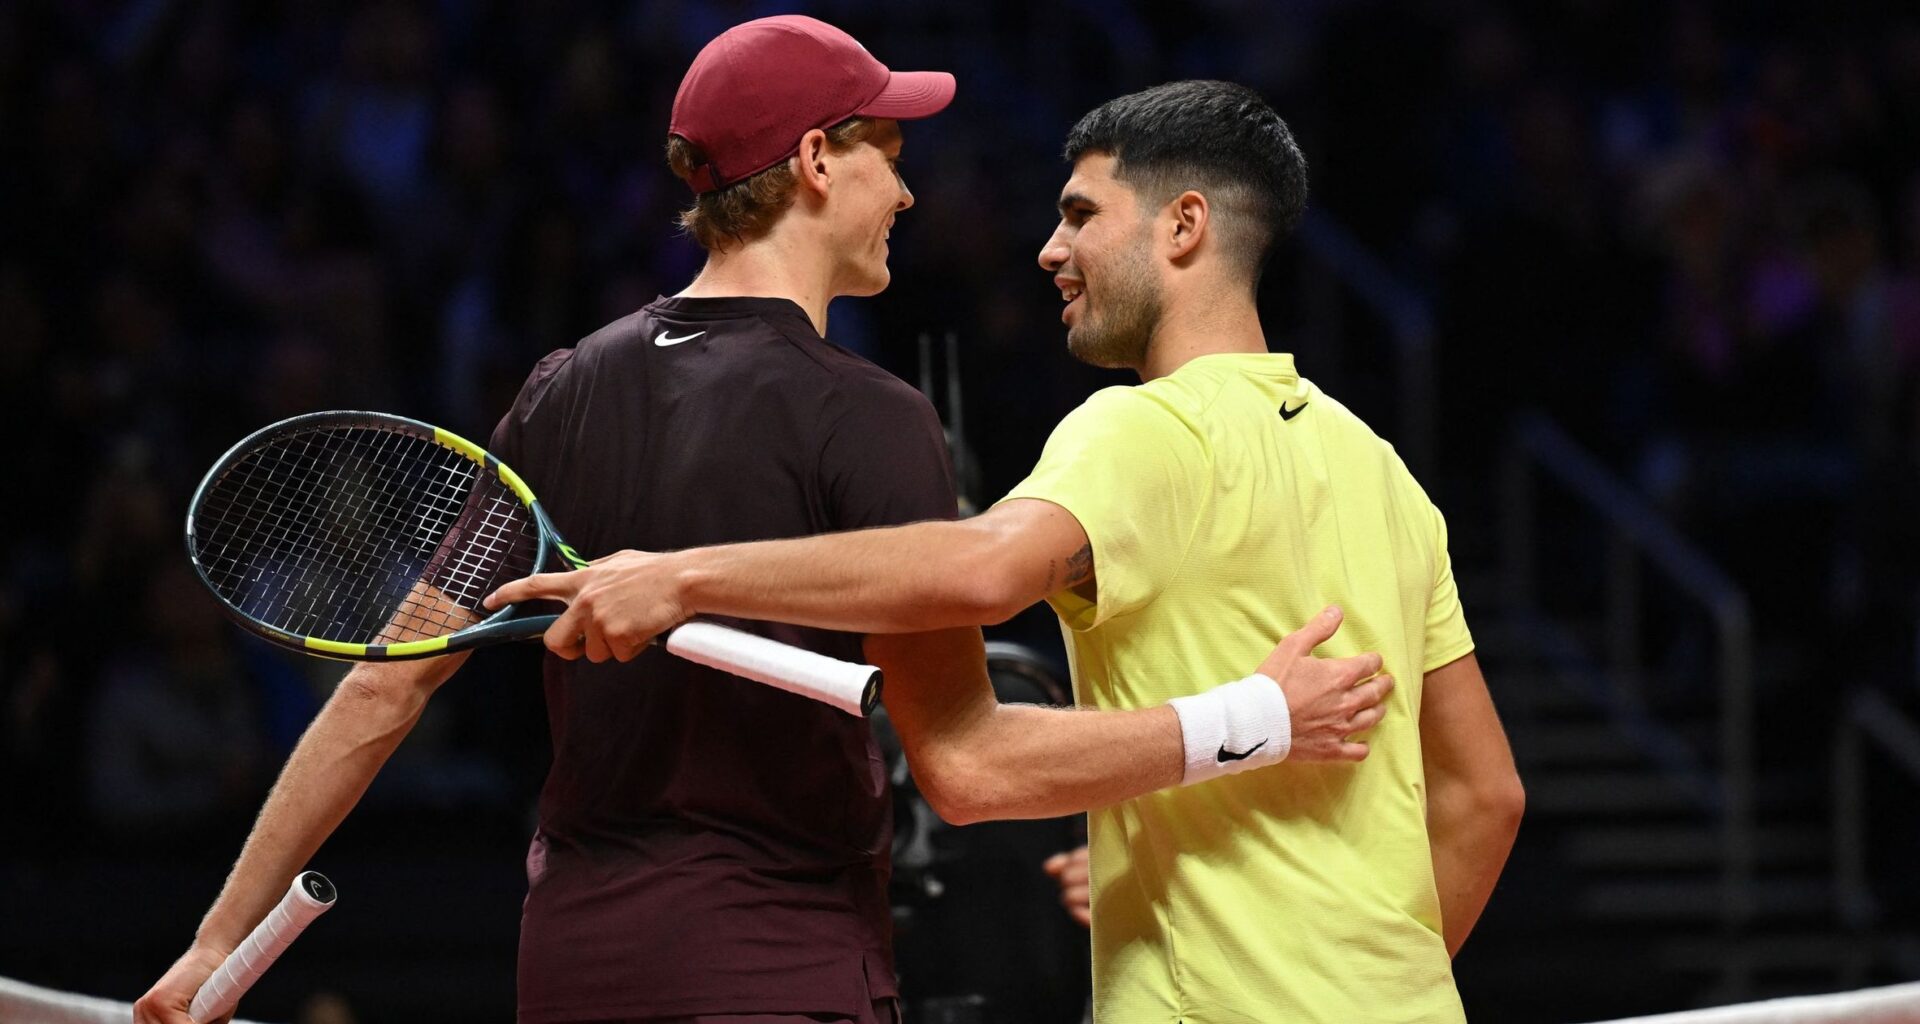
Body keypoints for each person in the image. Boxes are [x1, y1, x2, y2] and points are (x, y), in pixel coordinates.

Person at [136, 26, 1388, 1024]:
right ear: (816, 161)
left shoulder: (562, 388)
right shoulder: (873, 418)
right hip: (778, 966)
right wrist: (1251, 720)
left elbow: (381, 687)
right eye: (889, 152)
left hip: (572, 963)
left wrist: (214, 941)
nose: (908, 189)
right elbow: (969, 768)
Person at [490, 80, 1526, 1023]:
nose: (1048, 250)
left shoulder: (1138, 429)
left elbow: (981, 576)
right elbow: (1488, 796)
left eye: (1080, 214)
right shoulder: (1383, 470)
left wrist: (681, 576)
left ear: (1184, 225)